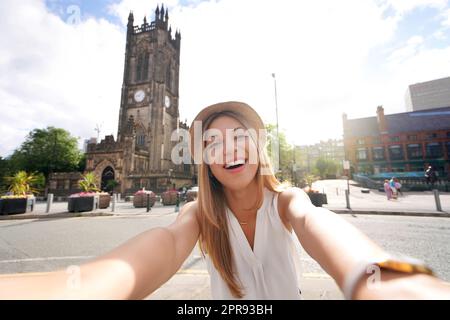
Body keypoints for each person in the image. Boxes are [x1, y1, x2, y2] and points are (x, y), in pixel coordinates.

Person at [1, 101, 450, 300]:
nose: (229, 149)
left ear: (258, 147)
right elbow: (148, 255)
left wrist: (389, 280)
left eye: (240, 137)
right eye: (213, 143)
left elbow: (325, 230)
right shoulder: (199, 215)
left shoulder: (287, 201)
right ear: (204, 161)